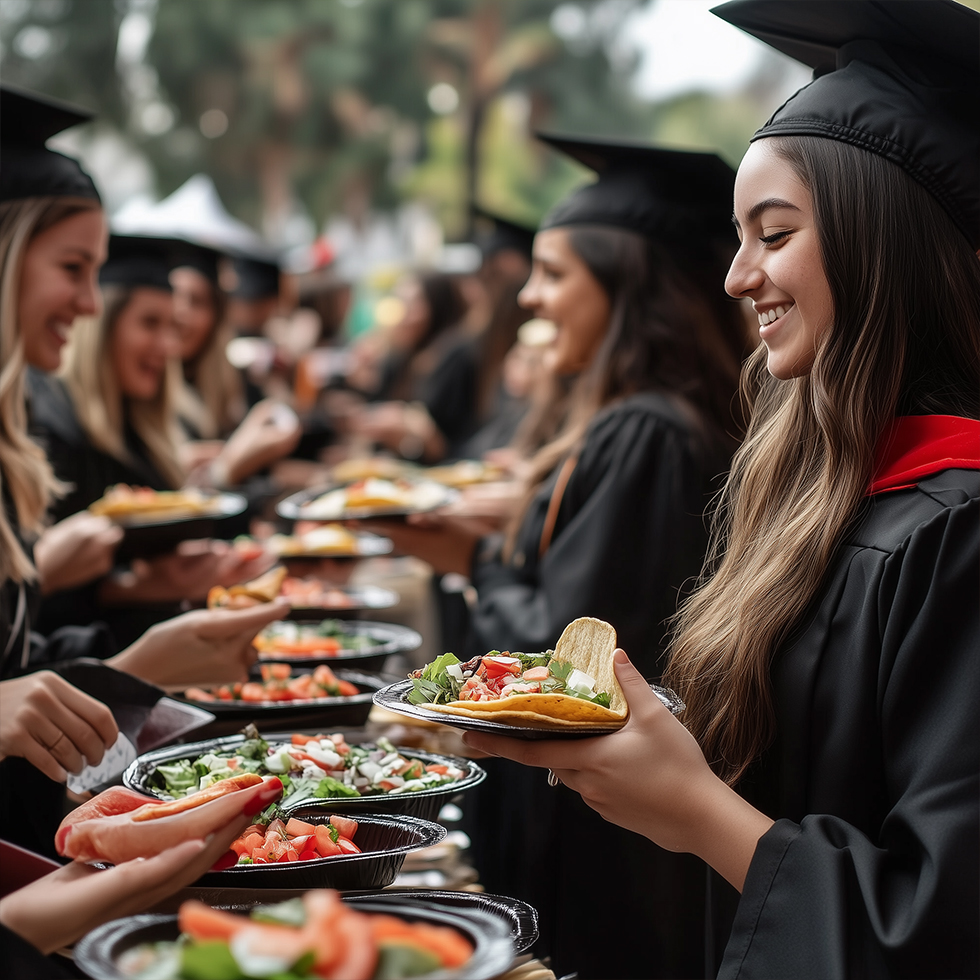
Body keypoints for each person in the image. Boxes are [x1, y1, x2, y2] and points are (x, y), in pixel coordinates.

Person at [463, 3, 980, 978]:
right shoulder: (819, 497)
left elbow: (944, 929)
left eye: (773, 233)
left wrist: (694, 806)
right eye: (738, 237)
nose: (737, 276)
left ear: (886, 244)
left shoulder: (958, 529)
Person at [369, 135, 749, 978]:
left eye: (554, 273)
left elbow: (567, 663)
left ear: (626, 292)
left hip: (605, 840)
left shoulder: (647, 431)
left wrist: (477, 557)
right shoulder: (652, 420)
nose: (531, 298)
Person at [0, 84, 287, 855]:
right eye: (71, 267)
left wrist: (146, 648)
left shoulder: (12, 451)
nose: (88, 303)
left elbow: (20, 673)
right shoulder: (49, 425)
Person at [28, 235, 268, 646]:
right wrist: (129, 588)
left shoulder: (150, 432)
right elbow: (33, 610)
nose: (169, 346)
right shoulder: (48, 432)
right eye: (149, 323)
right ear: (101, 326)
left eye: (173, 327)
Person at [345, 271, 478, 461]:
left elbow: (445, 441)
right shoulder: (404, 352)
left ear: (437, 304)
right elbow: (379, 400)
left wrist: (408, 424)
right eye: (400, 302)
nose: (403, 313)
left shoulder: (455, 353)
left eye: (413, 303)